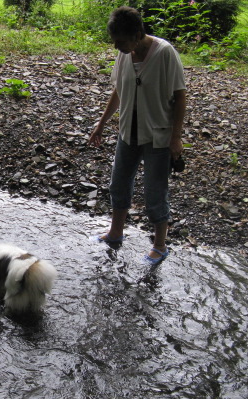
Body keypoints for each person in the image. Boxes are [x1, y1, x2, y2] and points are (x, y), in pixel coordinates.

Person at [88, 6, 186, 264]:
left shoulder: (165, 53)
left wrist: (176, 138)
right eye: (114, 41)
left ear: (137, 34)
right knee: (118, 184)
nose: (115, 46)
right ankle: (115, 232)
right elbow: (118, 91)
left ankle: (160, 245)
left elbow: (180, 96)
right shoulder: (124, 55)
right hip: (127, 132)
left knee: (156, 191)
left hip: (158, 135)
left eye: (120, 40)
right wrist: (101, 124)